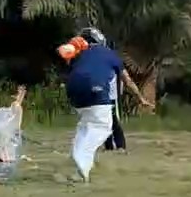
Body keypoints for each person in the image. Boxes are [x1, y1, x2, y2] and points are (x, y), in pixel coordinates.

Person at [64, 27, 153, 182]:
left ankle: (78, 156)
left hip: (74, 92)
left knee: (85, 125)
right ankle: (82, 166)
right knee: (102, 127)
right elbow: (128, 81)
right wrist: (140, 98)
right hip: (96, 90)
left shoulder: (79, 54)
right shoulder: (110, 54)